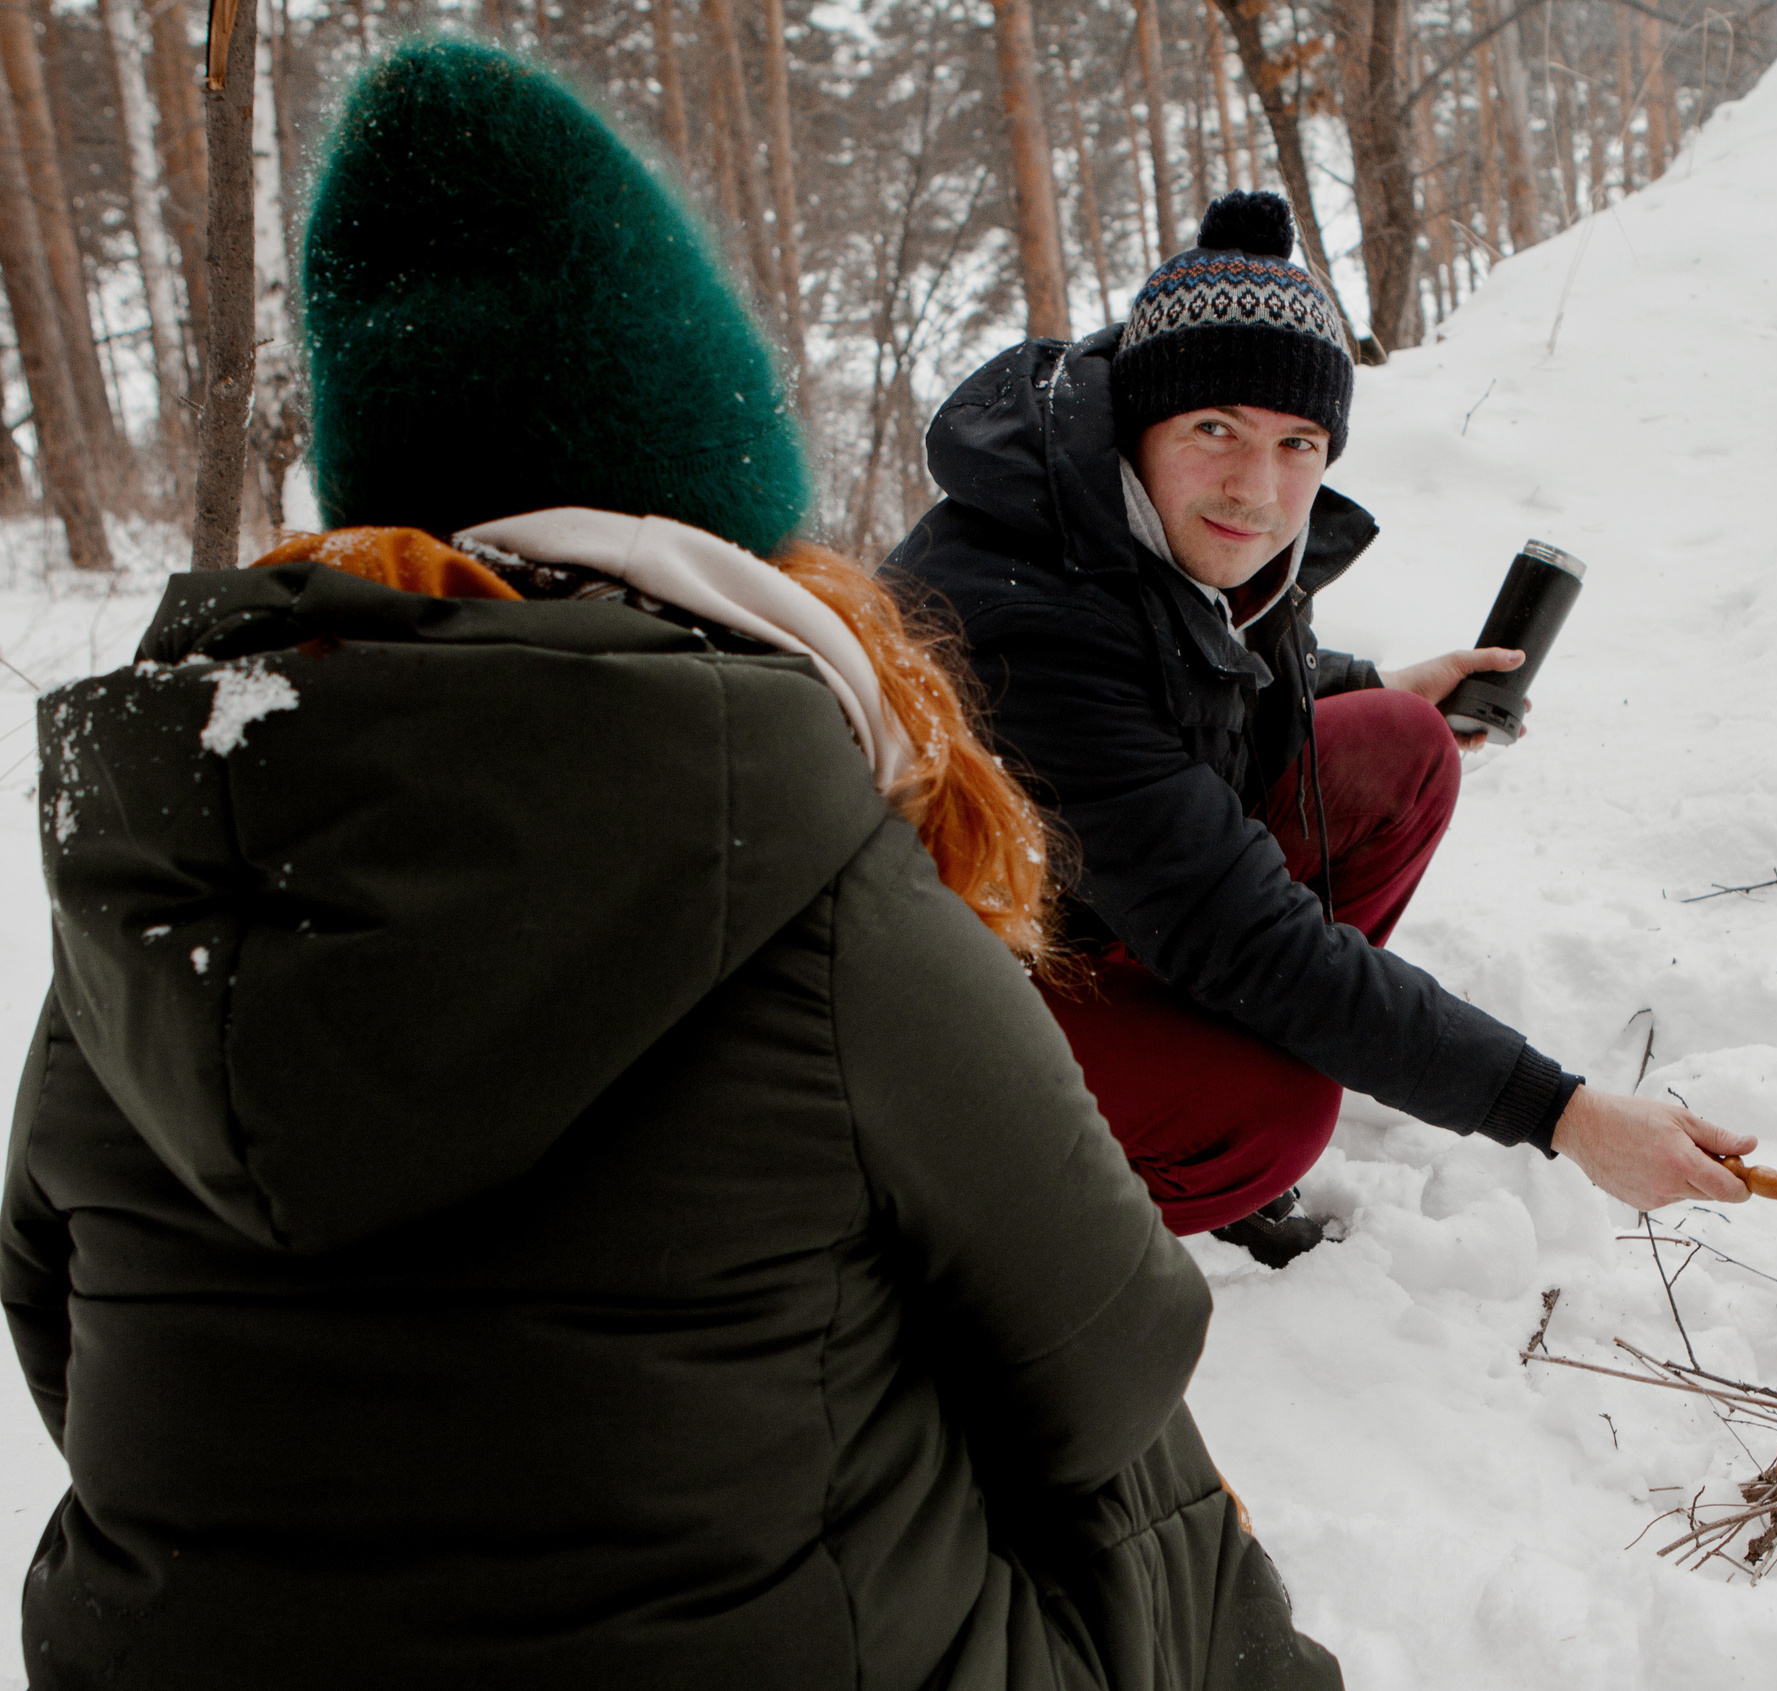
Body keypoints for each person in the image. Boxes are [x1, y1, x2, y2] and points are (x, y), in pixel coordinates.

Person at [2, 44, 1336, 1690]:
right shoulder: (796, 831)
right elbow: (1114, 1341)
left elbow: (57, 1320)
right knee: (1153, 1494)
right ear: (715, 519)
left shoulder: (174, 862)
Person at [888, 192, 1757, 1265]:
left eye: (1298, 441)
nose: (1257, 488)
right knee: (1272, 1113)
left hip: (1084, 899)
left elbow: (1194, 672)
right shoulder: (1024, 611)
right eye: (1215, 428)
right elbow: (1241, 926)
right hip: (922, 1016)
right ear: (1137, 422)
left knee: (1400, 743)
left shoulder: (1169, 528)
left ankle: (1212, 1052)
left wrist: (1381, 681)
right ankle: (1005, 1241)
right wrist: (1563, 1112)